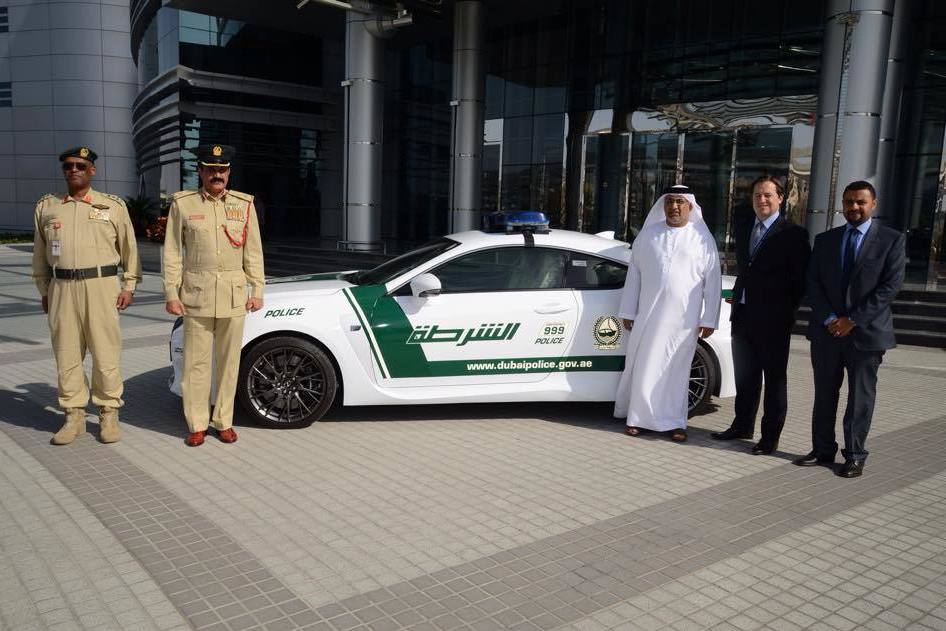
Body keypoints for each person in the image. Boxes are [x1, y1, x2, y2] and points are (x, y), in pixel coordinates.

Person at [795, 181, 905, 478]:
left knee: (860, 399)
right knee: (824, 395)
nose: (853, 207)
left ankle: (855, 455)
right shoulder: (825, 240)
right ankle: (822, 449)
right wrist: (830, 318)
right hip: (827, 332)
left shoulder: (891, 240)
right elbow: (813, 283)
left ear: (873, 204)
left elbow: (889, 287)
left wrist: (852, 320)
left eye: (860, 202)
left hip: (867, 334)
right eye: (848, 202)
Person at [31, 146, 141, 445]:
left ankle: (108, 412)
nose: (74, 170)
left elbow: (129, 248)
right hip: (62, 287)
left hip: (101, 286)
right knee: (66, 353)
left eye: (80, 165)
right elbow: (39, 255)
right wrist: (44, 290)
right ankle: (74, 415)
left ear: (92, 170)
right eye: (68, 166)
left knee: (105, 353)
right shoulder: (48, 207)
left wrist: (129, 285)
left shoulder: (112, 205)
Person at [163, 144, 265, 446]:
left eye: (221, 170)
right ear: (200, 171)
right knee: (195, 364)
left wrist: (257, 289)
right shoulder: (183, 204)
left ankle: (223, 421)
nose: (216, 175)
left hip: (234, 294)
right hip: (197, 294)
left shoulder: (244, 205)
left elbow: (254, 252)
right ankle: (197, 423)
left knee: (228, 362)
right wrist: (171, 292)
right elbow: (172, 252)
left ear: (229, 172)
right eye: (210, 169)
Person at [711, 176, 810, 454]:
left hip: (774, 321)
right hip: (743, 316)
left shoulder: (793, 234)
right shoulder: (745, 228)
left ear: (780, 198)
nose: (762, 200)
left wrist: (783, 312)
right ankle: (742, 425)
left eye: (768, 195)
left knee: (774, 381)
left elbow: (800, 282)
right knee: (745, 376)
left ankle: (769, 437)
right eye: (757, 195)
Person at [615, 184, 721, 442]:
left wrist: (709, 318)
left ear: (690, 206)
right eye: (670, 201)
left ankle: (675, 423)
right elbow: (634, 276)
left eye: (680, 202)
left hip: (684, 321)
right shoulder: (648, 236)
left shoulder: (702, 238)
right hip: (648, 316)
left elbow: (713, 282)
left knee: (676, 372)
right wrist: (628, 310)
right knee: (645, 366)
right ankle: (638, 419)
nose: (674, 206)